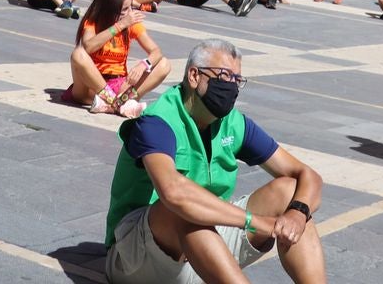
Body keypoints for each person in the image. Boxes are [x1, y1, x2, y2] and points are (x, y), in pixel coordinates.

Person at [103, 37, 327, 283]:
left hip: (205, 245)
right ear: (194, 76)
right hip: (139, 256)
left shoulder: (232, 122)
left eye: (236, 80)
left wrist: (298, 212)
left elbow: (307, 176)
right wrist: (256, 223)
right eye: (223, 76)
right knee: (184, 206)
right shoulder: (158, 123)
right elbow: (173, 193)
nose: (230, 86)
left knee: (289, 190)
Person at [67, 0, 170, 117]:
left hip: (119, 85)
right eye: (125, 10)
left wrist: (144, 64)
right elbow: (88, 47)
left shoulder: (131, 24)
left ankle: (112, 104)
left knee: (164, 64)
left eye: (131, 7)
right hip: (90, 85)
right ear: (110, 10)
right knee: (78, 54)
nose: (130, 13)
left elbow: (156, 52)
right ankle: (118, 103)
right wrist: (120, 25)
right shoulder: (93, 22)